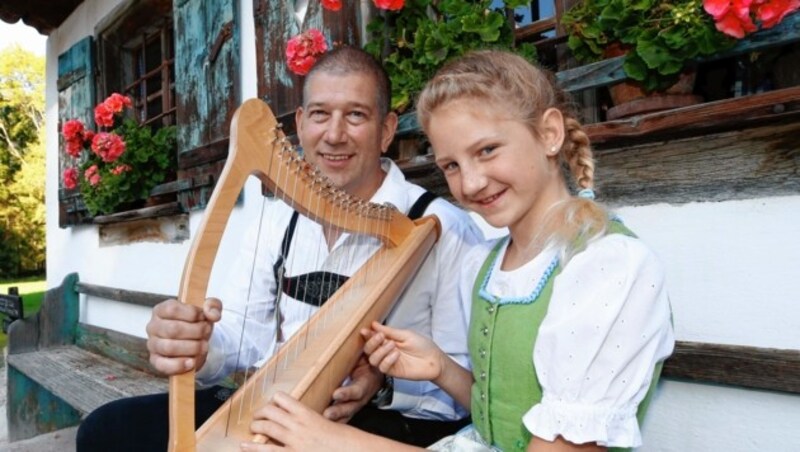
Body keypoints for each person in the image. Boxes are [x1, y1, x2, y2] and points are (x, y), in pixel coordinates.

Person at [244, 50, 675, 452]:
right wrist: (440, 368)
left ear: (549, 133)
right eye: (451, 165)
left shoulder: (607, 266)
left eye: (487, 150)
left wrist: (336, 442)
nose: (469, 184)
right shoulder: (488, 261)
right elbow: (503, 411)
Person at [75, 46, 482, 451]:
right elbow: (243, 336)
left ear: (387, 129)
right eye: (320, 114)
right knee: (106, 430)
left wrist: (384, 382)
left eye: (356, 115)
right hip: (281, 402)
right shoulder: (277, 220)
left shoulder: (443, 226)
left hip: (393, 422)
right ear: (301, 125)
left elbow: (466, 384)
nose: (335, 134)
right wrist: (199, 346)